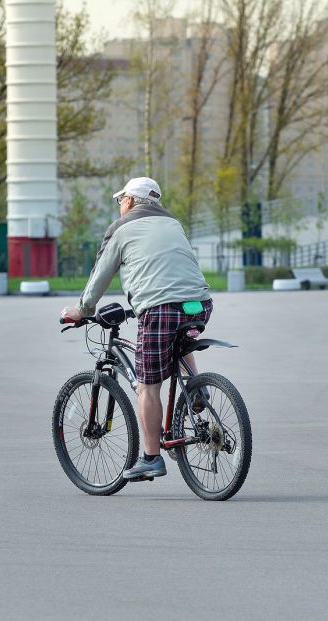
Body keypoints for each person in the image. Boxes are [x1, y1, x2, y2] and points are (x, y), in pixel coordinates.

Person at [61, 177, 212, 481]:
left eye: (121, 200)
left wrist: (82, 311)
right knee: (178, 341)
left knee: (147, 386)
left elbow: (100, 274)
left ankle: (151, 458)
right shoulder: (173, 223)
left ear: (129, 200)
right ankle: (198, 390)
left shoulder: (122, 228)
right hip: (200, 303)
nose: (120, 205)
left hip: (159, 308)